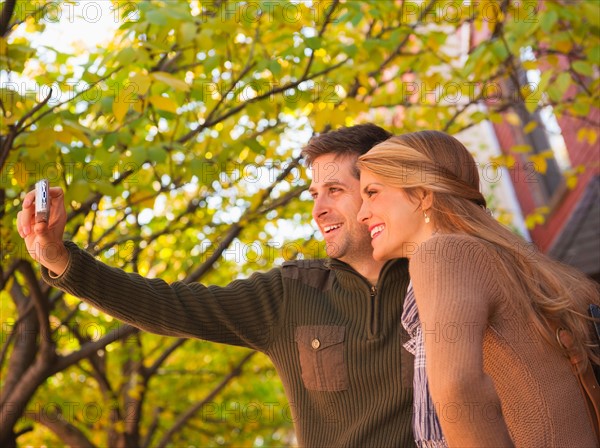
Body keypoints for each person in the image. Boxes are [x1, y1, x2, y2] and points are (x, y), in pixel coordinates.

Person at [17, 124, 415, 447]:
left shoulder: (438, 279)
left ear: (375, 193)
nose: (317, 210)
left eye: (335, 191)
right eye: (314, 194)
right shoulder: (291, 293)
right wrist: (59, 258)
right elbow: (171, 306)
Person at [356, 130, 600, 447]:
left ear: (423, 193)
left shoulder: (442, 253)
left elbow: (458, 387)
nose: (362, 214)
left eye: (372, 193)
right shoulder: (507, 260)